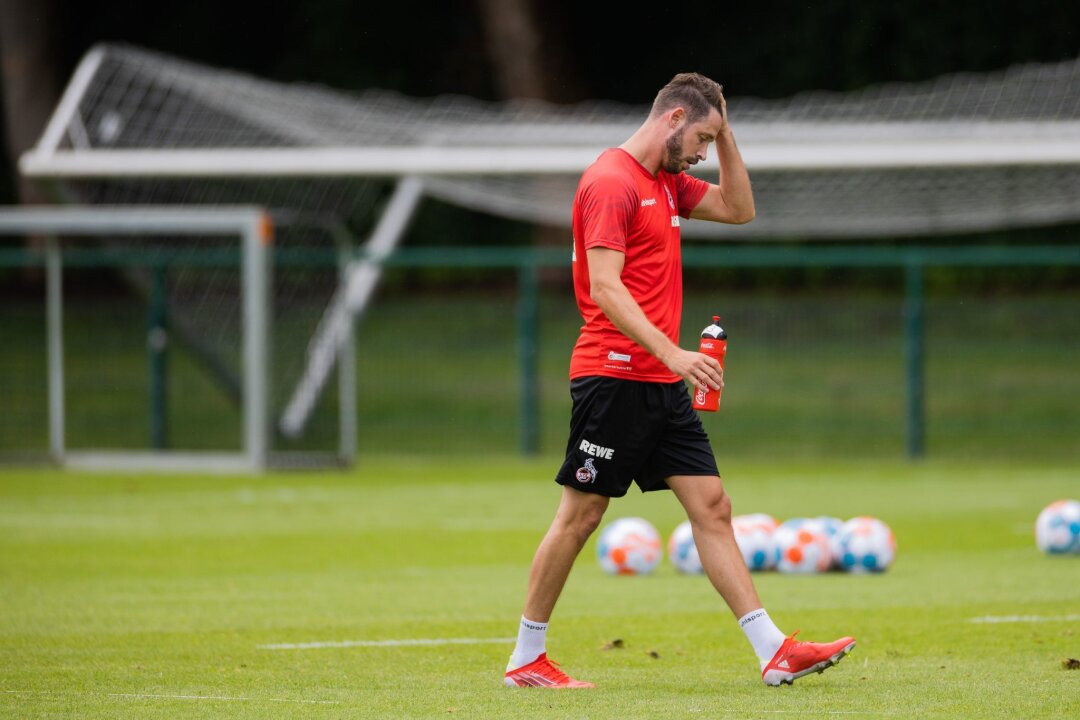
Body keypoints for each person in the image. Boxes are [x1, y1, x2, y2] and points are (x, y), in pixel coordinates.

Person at [503, 72, 855, 689]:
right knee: (581, 516)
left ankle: (772, 650)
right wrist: (673, 353)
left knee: (713, 508)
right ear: (671, 119)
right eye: (700, 137)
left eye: (710, 140)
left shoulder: (665, 182)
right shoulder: (611, 182)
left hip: (661, 381)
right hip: (613, 377)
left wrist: (724, 131)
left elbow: (740, 209)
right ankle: (526, 659)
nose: (702, 152)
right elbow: (606, 288)